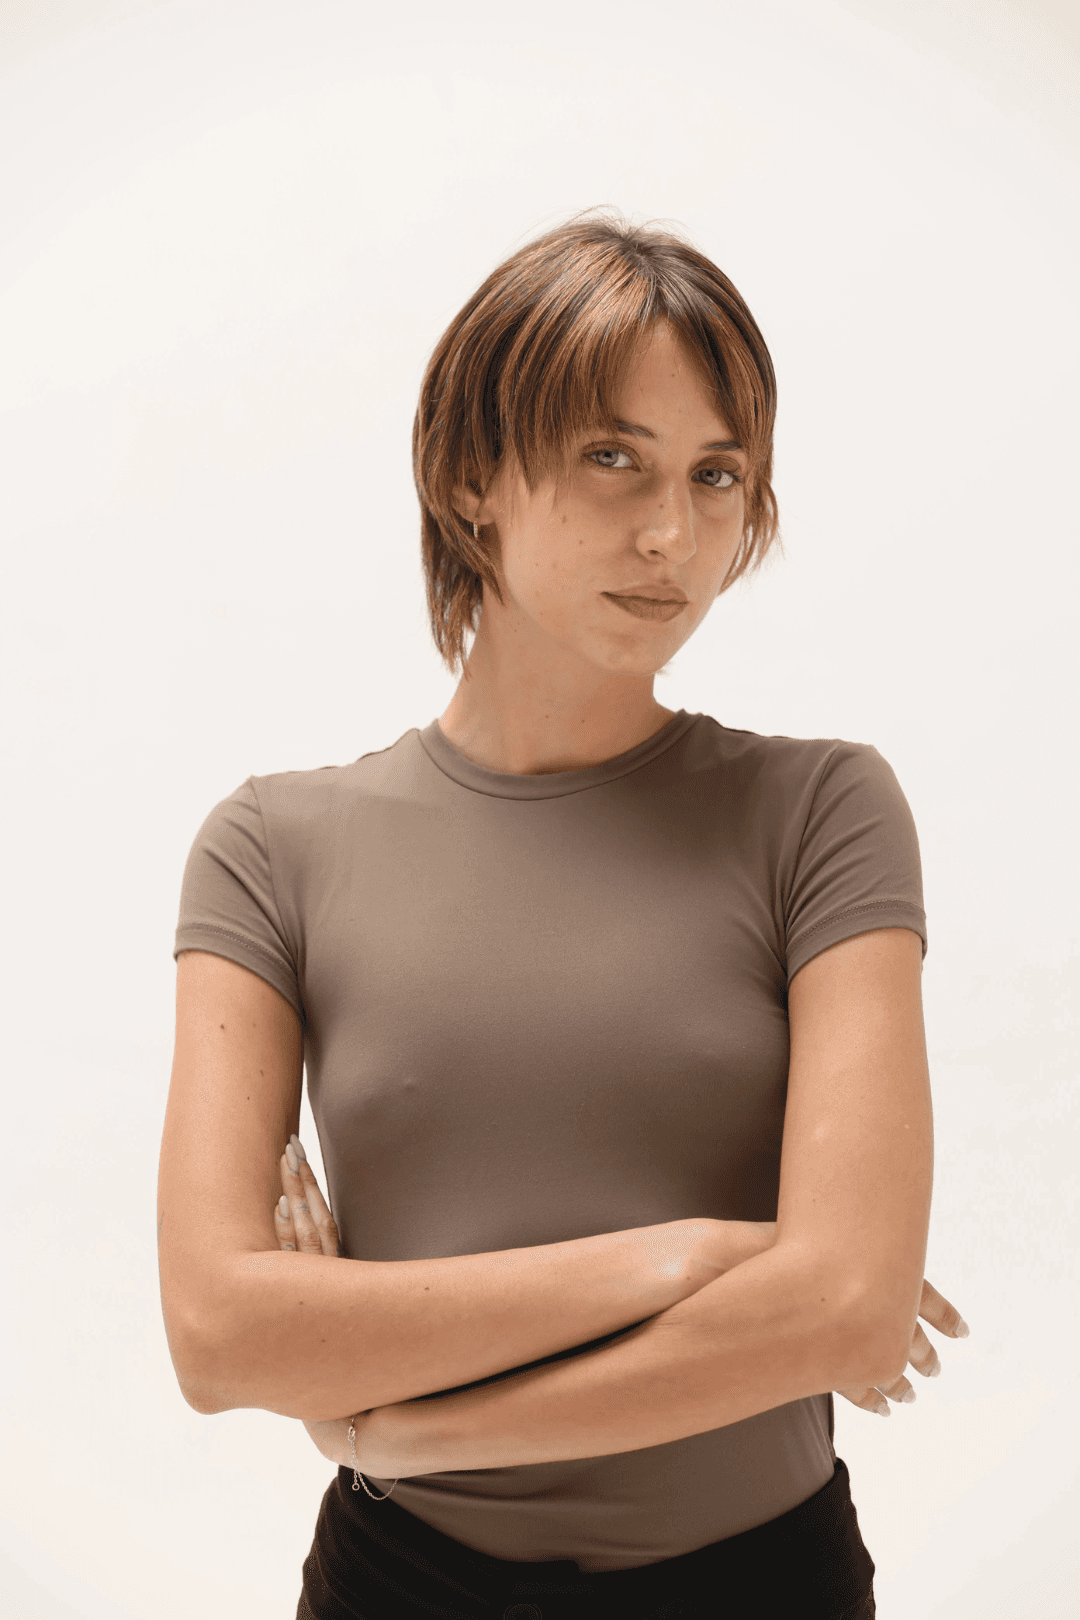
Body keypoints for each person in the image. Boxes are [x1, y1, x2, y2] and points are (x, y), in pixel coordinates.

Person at [158, 209, 970, 1620]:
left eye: (717, 474)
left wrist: (405, 1429)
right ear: (471, 478)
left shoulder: (820, 812)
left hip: (762, 1586)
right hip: (399, 1588)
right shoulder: (271, 850)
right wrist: (696, 1255)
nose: (673, 534)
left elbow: (847, 1310)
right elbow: (221, 1333)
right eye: (613, 457)